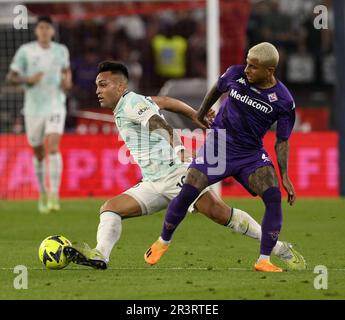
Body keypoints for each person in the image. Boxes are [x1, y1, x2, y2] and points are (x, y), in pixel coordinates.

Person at [64, 61, 305, 271]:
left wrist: (178, 147)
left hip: (176, 173)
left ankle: (281, 249)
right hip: (153, 182)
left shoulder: (131, 105)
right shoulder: (133, 102)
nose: (97, 90)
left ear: (120, 86)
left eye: (103, 84)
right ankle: (100, 255)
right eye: (97, 85)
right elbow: (166, 102)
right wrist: (194, 115)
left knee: (221, 215)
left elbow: (157, 121)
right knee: (110, 208)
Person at [145, 42, 304, 272]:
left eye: (253, 67)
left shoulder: (283, 101)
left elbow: (282, 140)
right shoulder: (235, 74)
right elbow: (217, 89)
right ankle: (163, 242)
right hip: (218, 146)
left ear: (269, 71)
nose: (246, 69)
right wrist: (199, 114)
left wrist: (285, 176)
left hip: (250, 154)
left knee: (272, 196)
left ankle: (264, 260)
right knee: (189, 190)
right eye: (247, 63)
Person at [7, 16, 72, 213]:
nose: (44, 31)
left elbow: (66, 73)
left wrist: (67, 81)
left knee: (53, 147)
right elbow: (11, 77)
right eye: (41, 27)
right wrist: (28, 79)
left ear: (52, 31)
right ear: (36, 31)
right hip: (33, 109)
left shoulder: (61, 51)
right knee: (38, 151)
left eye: (47, 28)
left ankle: (54, 195)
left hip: (55, 106)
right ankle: (42, 193)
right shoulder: (26, 51)